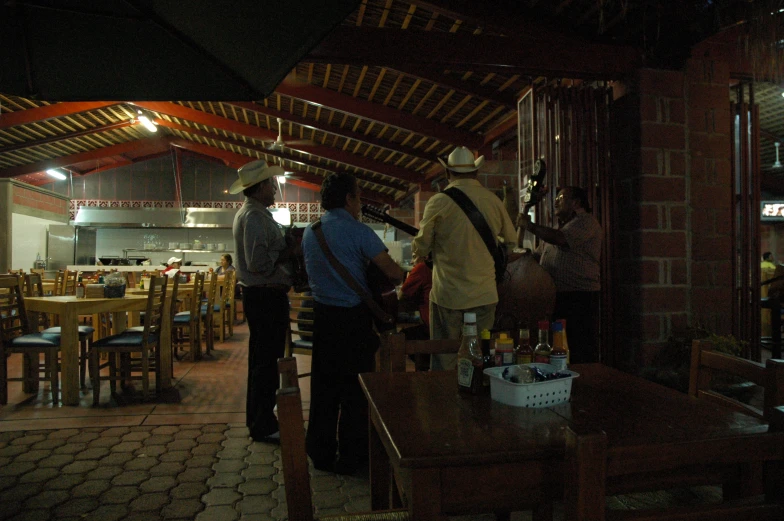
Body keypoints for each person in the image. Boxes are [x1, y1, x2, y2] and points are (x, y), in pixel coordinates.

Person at [302, 172, 404, 475]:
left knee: (323, 387)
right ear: (348, 198)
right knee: (355, 390)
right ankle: (353, 456)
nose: (360, 203)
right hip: (352, 321)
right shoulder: (359, 232)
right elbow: (394, 274)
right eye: (358, 196)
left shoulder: (312, 231)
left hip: (322, 318)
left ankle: (320, 452)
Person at [411, 146, 517, 370]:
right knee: (479, 355)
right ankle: (477, 399)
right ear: (476, 172)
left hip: (448, 295)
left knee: (445, 355)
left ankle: (445, 400)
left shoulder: (438, 202)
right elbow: (510, 241)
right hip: (484, 293)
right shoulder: (493, 200)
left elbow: (421, 246)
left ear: (448, 173)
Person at [231, 159, 298, 443]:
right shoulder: (255, 217)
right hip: (265, 295)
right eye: (270, 184)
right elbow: (259, 263)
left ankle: (260, 419)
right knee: (265, 362)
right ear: (259, 188)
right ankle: (262, 423)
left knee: (263, 360)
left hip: (263, 296)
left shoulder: (254, 214)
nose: (274, 189)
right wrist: (289, 252)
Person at [517, 186, 602, 363]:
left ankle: (585, 378)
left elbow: (561, 239)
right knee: (558, 346)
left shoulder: (586, 222)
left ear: (576, 202)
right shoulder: (557, 228)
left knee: (578, 345)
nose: (555, 201)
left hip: (579, 296)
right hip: (557, 296)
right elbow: (538, 254)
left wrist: (530, 226)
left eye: (561, 198)